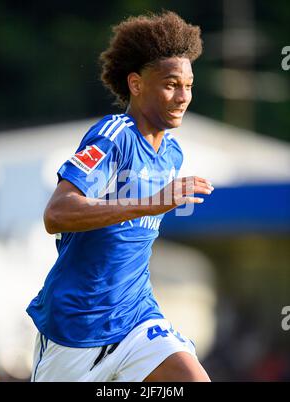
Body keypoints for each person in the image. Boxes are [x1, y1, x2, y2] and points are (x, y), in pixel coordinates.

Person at [27, 10, 214, 382]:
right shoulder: (113, 137)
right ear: (136, 83)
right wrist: (152, 202)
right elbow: (57, 214)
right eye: (171, 84)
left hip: (136, 318)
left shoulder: (172, 153)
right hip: (76, 327)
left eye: (189, 86)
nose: (182, 97)